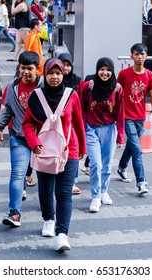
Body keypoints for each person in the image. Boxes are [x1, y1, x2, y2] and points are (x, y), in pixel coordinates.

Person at [22, 58, 86, 251]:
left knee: (64, 193)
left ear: (63, 74)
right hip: (45, 151)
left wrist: (82, 148)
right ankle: (48, 219)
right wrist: (34, 144)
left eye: (58, 73)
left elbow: (78, 123)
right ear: (45, 74)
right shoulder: (36, 96)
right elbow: (27, 124)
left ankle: (62, 234)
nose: (55, 77)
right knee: (45, 189)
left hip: (69, 150)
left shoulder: (71, 95)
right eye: (51, 73)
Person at [0, 51, 43, 227]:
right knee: (17, 174)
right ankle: (14, 213)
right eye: (23, 68)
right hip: (19, 137)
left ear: (37, 69)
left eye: (30, 69)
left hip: (42, 140)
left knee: (47, 177)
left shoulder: (45, 86)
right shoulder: (12, 87)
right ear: (19, 68)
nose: (26, 72)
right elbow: (8, 110)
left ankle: (50, 214)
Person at [117, 43, 152, 195]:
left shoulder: (150, 75)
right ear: (131, 56)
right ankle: (141, 182)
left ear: (146, 56)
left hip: (140, 117)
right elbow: (117, 95)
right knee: (137, 149)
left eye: (142, 54)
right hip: (127, 116)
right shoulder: (124, 74)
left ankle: (122, 167)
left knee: (132, 145)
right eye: (136, 54)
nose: (139, 57)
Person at [80, 57, 124, 213]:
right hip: (91, 129)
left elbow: (120, 113)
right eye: (102, 70)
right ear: (97, 70)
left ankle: (104, 191)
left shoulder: (117, 88)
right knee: (95, 164)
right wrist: (82, 130)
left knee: (106, 165)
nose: (104, 73)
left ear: (112, 72)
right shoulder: (89, 86)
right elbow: (82, 108)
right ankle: (95, 196)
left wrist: (120, 134)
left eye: (108, 70)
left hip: (109, 129)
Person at [58, 52, 85, 195]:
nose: (66, 68)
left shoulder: (78, 81)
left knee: (73, 150)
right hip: (58, 122)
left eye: (68, 65)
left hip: (73, 121)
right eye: (63, 65)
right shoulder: (55, 79)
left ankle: (72, 181)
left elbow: (80, 102)